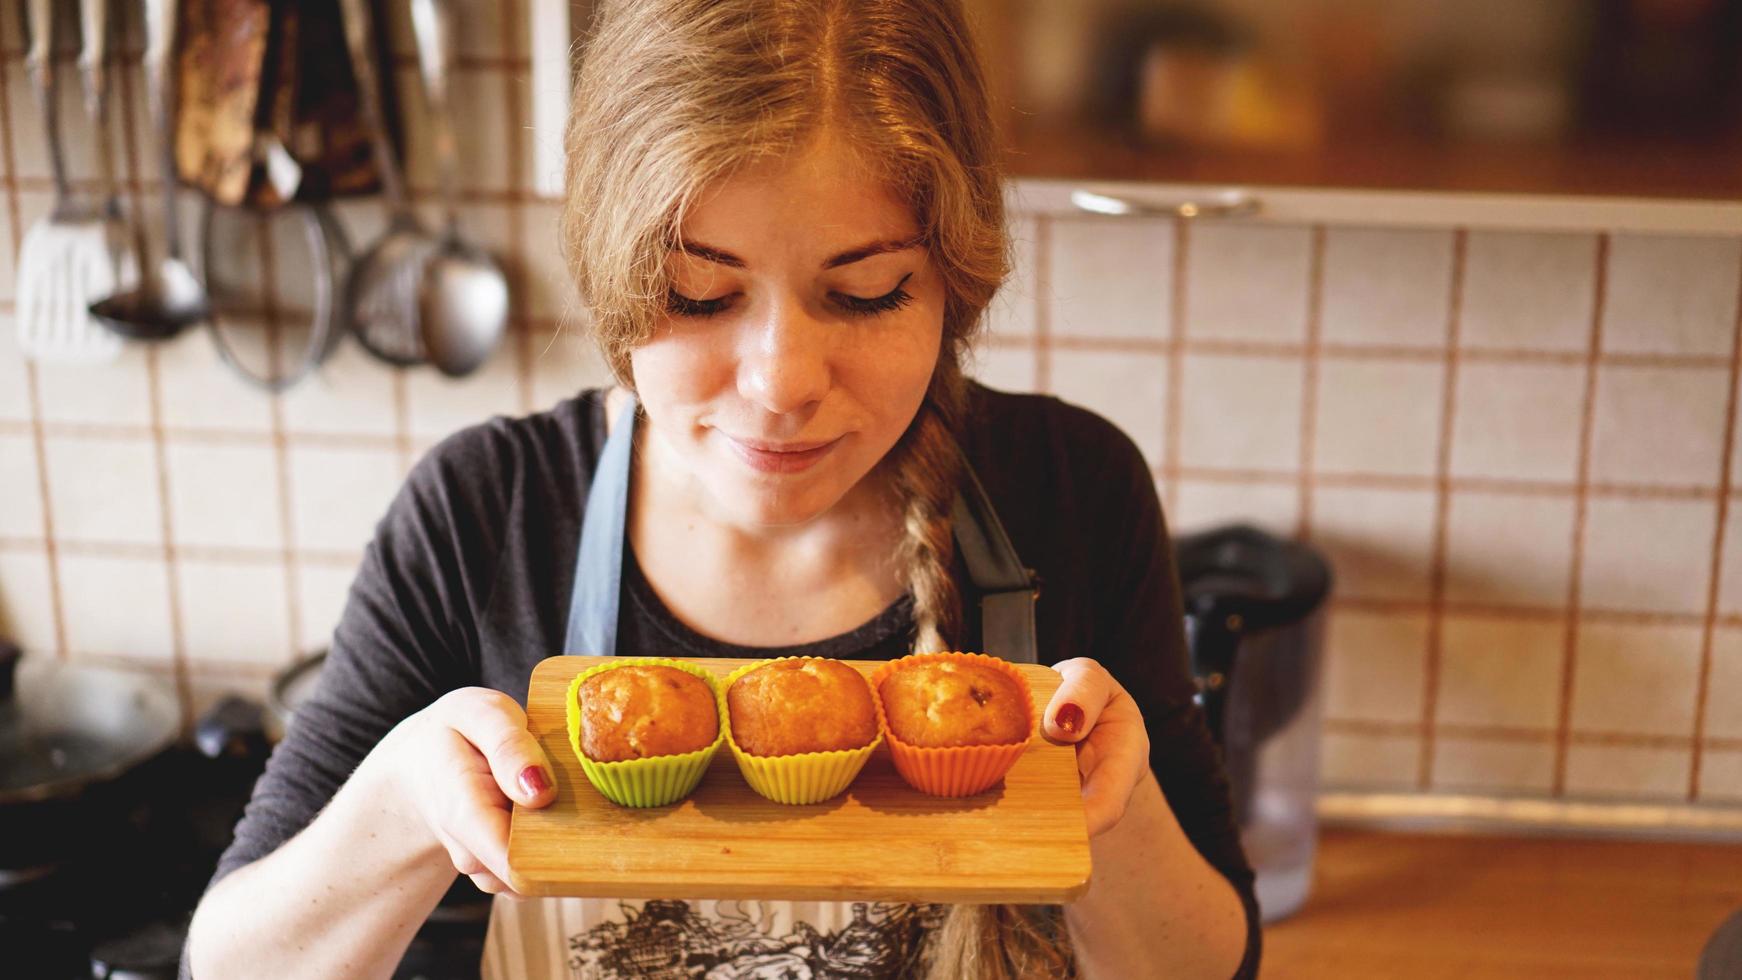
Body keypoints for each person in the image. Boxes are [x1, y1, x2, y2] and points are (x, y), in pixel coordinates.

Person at [182, 0, 1259, 976]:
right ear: (616, 275)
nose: (781, 383)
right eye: (699, 296)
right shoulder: (486, 512)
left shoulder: (1071, 490)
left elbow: (1210, 962)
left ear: (951, 280)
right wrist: (402, 800)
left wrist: (1105, 814)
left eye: (866, 291)